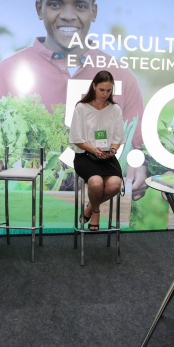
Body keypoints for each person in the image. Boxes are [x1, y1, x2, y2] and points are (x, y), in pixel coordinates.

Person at [0, 0, 148, 200]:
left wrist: (138, 167)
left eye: (80, 5)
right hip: (26, 213)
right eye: (55, 4)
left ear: (94, 12)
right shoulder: (4, 73)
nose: (68, 15)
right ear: (39, 9)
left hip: (98, 210)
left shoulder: (122, 77)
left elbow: (135, 148)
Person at [69, 71, 124, 230]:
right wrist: (93, 150)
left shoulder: (115, 109)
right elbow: (76, 138)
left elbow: (118, 138)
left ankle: (89, 208)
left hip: (107, 157)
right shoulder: (81, 107)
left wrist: (112, 150)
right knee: (96, 182)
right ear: (94, 86)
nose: (105, 94)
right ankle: (96, 212)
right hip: (85, 156)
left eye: (108, 90)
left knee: (115, 184)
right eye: (102, 90)